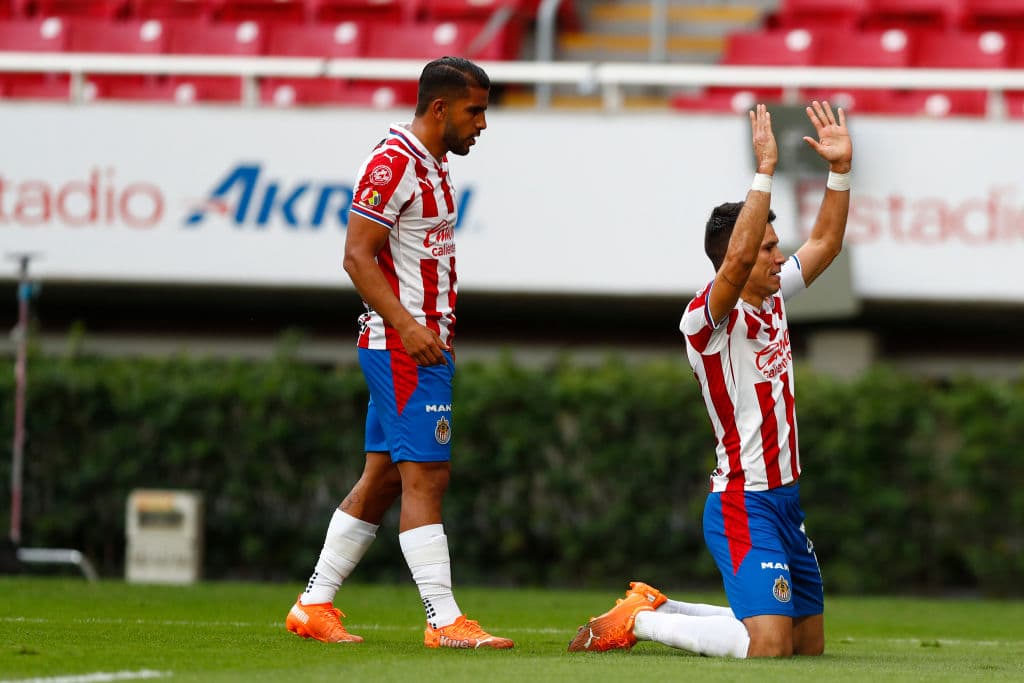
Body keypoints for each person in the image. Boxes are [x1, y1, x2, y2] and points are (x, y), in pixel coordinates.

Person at [567, 101, 852, 658]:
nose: (778, 256)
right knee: (768, 645)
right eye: (769, 249)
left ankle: (657, 605)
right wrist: (764, 170)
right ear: (736, 263)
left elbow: (825, 245)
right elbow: (742, 253)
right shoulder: (706, 318)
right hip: (742, 501)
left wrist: (840, 171)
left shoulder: (773, 298)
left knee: (804, 644)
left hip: (785, 500)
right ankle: (644, 623)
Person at [285, 56, 513, 650]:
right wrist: (410, 327)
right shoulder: (391, 163)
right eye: (475, 110)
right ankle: (444, 620)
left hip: (417, 345)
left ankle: (313, 604)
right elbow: (357, 255)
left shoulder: (433, 165)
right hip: (406, 348)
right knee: (428, 478)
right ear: (440, 108)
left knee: (384, 478)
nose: (482, 124)